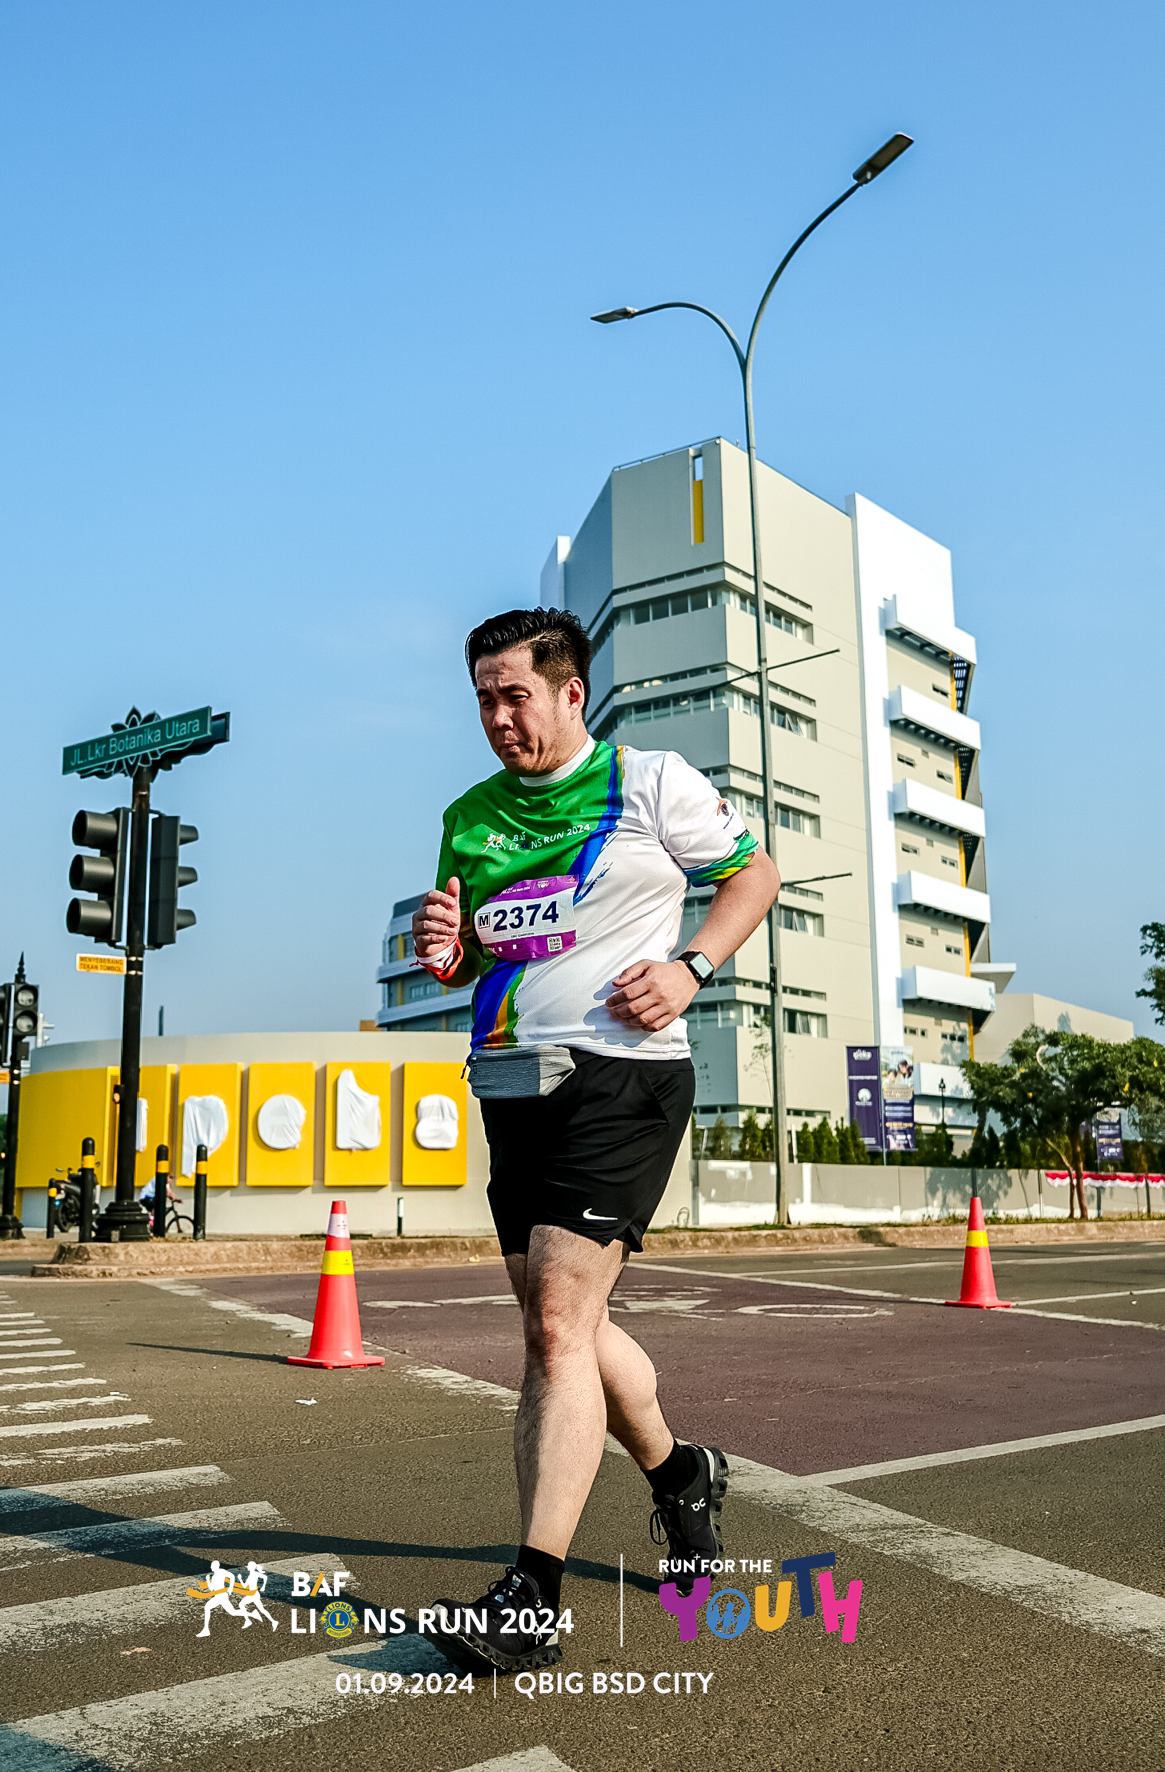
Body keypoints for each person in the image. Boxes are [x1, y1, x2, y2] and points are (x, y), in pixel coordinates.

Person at [413, 606, 780, 1672]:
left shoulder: (647, 782)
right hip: (510, 1081)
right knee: (562, 1325)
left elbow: (754, 875)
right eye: (482, 698)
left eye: (513, 695)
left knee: (554, 1327)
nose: (497, 716)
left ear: (570, 692)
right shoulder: (468, 817)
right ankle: (679, 1474)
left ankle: (531, 1600)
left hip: (624, 1077)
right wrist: (445, 948)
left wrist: (691, 968)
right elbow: (476, 951)